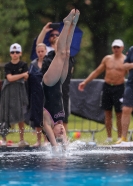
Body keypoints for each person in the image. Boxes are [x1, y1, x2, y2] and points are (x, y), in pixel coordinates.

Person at [37, 9, 80, 147]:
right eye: (63, 132)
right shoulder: (60, 122)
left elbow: (54, 144)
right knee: (67, 53)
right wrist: (65, 144)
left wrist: (55, 146)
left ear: (51, 134)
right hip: (59, 83)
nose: (62, 130)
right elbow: (65, 143)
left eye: (59, 133)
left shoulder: (47, 121)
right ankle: (72, 25)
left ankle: (66, 24)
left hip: (49, 83)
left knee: (61, 53)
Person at [78, 39, 127, 143]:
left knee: (119, 113)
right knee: (107, 113)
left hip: (119, 88)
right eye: (114, 47)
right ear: (112, 48)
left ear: (122, 48)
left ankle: (120, 137)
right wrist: (85, 82)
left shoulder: (125, 60)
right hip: (107, 87)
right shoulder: (107, 59)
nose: (116, 49)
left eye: (118, 47)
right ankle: (109, 137)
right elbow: (97, 71)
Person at [0, 43, 29, 147]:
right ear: (10, 54)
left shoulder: (23, 64)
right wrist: (21, 75)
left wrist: (16, 77)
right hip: (8, 92)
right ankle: (3, 139)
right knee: (5, 115)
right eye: (12, 52)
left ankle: (22, 140)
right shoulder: (8, 66)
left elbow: (26, 78)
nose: (15, 54)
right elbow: (9, 78)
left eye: (17, 52)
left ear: (20, 53)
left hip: (19, 92)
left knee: (20, 115)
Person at [28, 43, 48, 147]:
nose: (40, 53)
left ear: (46, 51)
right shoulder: (33, 64)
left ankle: (46, 140)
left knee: (46, 118)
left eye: (42, 51)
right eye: (38, 52)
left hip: (46, 94)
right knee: (37, 118)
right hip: (35, 94)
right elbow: (29, 80)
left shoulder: (49, 63)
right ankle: (38, 140)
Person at [116, 46, 133, 144]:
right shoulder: (131, 49)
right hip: (131, 84)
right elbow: (124, 66)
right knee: (126, 109)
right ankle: (124, 137)